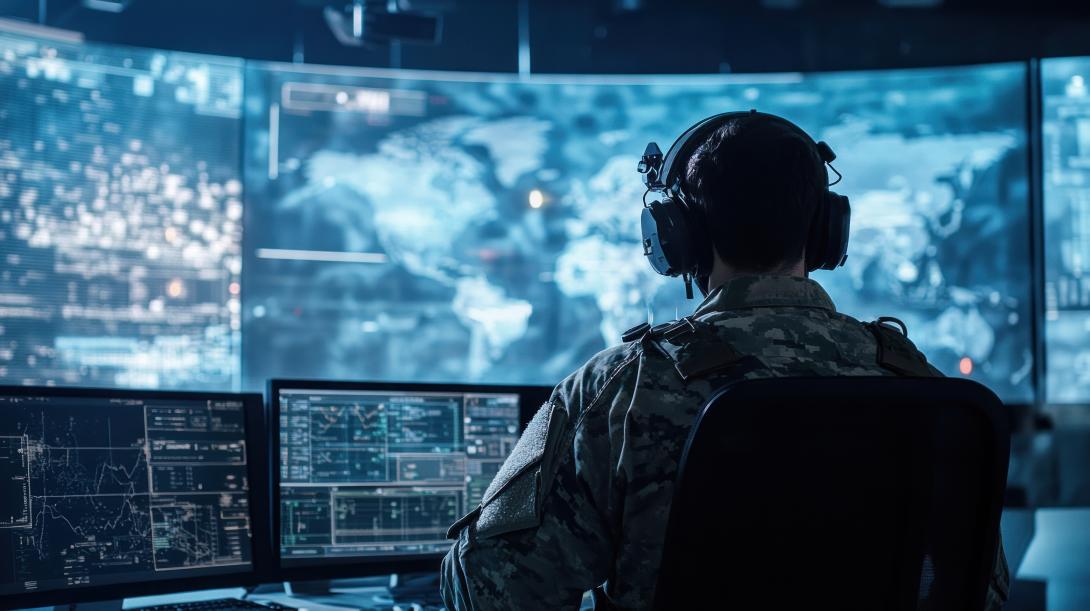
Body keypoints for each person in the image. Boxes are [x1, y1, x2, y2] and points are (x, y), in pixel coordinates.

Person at [440, 111, 1009, 610]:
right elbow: (982, 586)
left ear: (675, 235)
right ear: (825, 231)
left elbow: (491, 584)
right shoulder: (917, 385)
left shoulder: (624, 386)